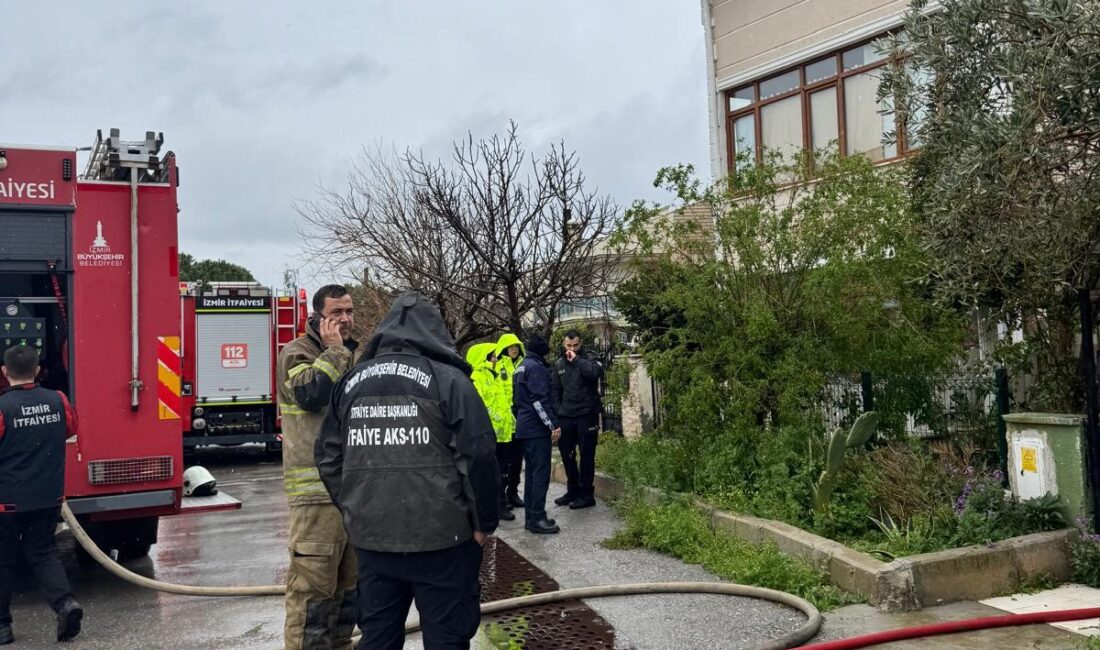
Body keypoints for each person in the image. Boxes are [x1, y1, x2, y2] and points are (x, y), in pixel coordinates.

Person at [316, 292, 499, 650]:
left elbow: (328, 458)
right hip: (444, 542)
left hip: (373, 542)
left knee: (378, 637)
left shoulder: (351, 382)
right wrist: (483, 524)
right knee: (447, 637)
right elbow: (478, 455)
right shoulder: (449, 381)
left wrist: (356, 508)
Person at [276, 284, 358, 650]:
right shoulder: (296, 354)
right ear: (317, 318)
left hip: (348, 493)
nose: (344, 319)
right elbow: (311, 394)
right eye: (336, 313)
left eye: (349, 311)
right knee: (312, 595)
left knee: (347, 593)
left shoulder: (348, 356)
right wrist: (336, 351)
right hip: (314, 499)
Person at [0, 345, 82, 645]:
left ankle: (2, 627)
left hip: (6, 501)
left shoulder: (2, 408)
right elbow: (71, 428)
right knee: (43, 552)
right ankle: (65, 604)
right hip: (48, 497)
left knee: (3, 560)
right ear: (38, 370)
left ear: (4, 372)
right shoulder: (57, 400)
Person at [551, 330, 605, 510]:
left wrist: (576, 359)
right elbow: (555, 391)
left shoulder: (589, 358)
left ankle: (586, 494)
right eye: (568, 345)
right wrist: (558, 413)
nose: (572, 348)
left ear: (580, 344)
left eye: (575, 345)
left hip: (586, 414)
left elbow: (593, 373)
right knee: (567, 454)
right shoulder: (558, 363)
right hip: (566, 415)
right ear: (563, 343)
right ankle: (572, 490)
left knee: (587, 455)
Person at [512, 334, 560, 534]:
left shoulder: (520, 367)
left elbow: (515, 403)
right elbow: (539, 400)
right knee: (540, 474)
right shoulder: (537, 368)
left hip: (524, 427)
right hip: (536, 429)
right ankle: (537, 517)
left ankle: (531, 517)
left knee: (531, 474)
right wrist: (553, 425)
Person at [466, 343, 516, 521]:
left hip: (502, 432)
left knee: (502, 470)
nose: (497, 359)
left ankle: (500, 503)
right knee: (490, 474)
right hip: (488, 434)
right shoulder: (477, 378)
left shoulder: (496, 376)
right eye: (492, 356)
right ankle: (495, 506)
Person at [493, 334, 525, 509]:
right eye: (510, 346)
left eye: (516, 346)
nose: (514, 349)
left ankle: (513, 492)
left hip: (519, 418)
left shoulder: (523, 364)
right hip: (503, 421)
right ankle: (502, 496)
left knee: (517, 460)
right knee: (503, 461)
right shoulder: (497, 364)